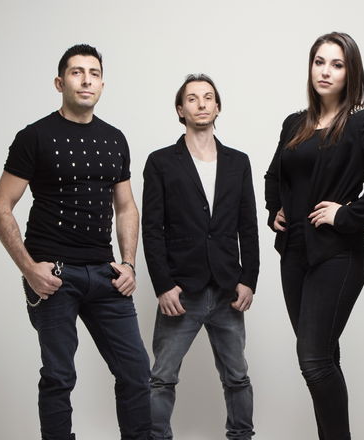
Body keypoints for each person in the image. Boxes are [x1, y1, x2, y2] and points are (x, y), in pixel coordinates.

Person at [0, 44, 151, 440]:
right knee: (59, 376)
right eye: (77, 72)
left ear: (102, 84)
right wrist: (30, 269)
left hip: (106, 275)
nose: (86, 80)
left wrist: (129, 264)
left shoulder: (115, 139)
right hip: (54, 276)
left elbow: (126, 207)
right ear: (60, 83)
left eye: (94, 73)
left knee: (136, 372)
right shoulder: (34, 136)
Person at [264, 32, 364, 439]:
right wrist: (275, 210)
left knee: (313, 360)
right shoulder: (295, 123)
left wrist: (348, 214)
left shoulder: (362, 122)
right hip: (294, 254)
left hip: (338, 254)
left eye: (337, 64)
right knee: (323, 358)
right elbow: (274, 174)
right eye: (319, 62)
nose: (325, 71)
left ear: (350, 73)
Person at [142, 74, 259, 440]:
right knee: (162, 378)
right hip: (181, 290)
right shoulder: (161, 162)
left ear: (218, 107)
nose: (202, 103)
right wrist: (163, 285)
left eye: (208, 97)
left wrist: (249, 279)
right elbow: (152, 229)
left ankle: (241, 436)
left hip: (227, 289)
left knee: (237, 377)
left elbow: (248, 226)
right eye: (192, 98)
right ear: (181, 110)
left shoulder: (238, 162)